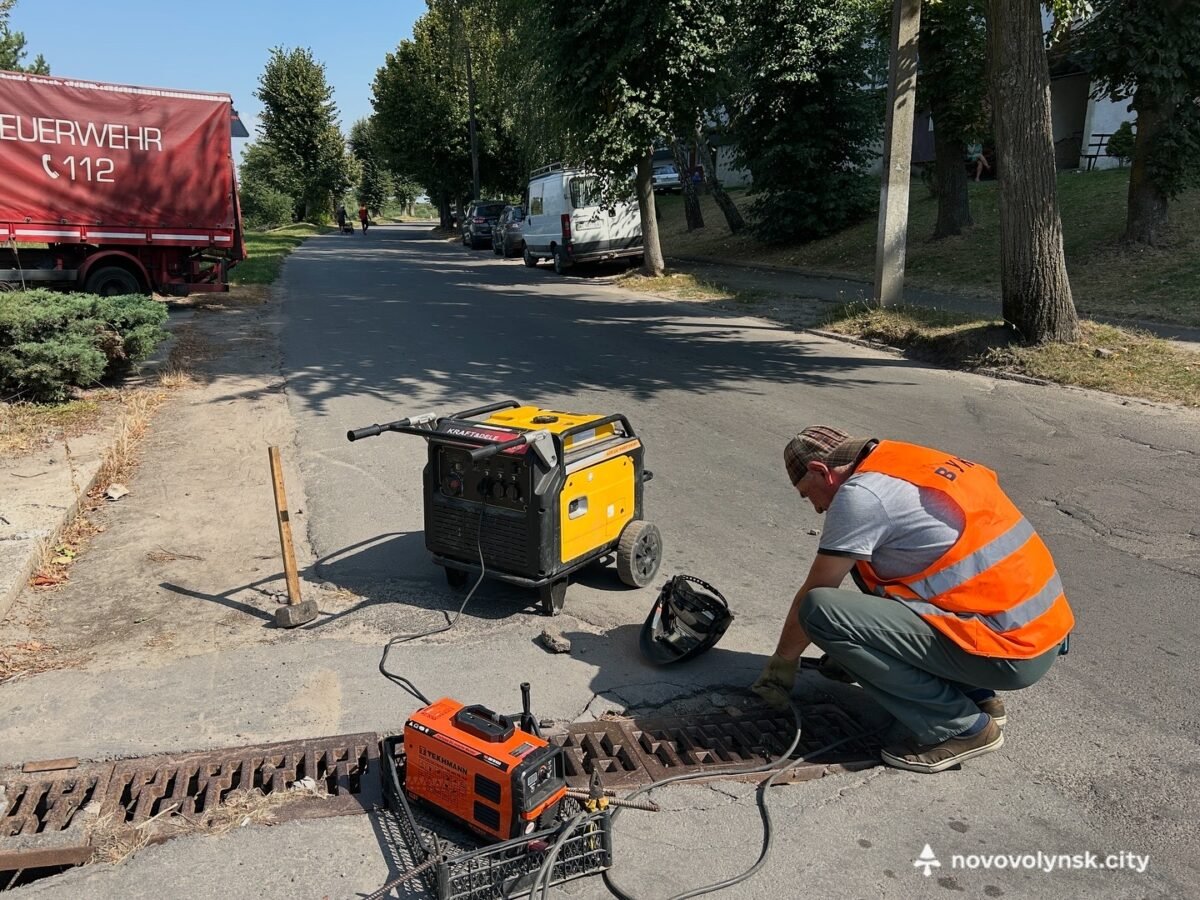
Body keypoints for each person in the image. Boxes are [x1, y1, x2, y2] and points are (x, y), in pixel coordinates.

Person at [752, 426, 1073, 774]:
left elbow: (815, 594)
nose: (815, 508)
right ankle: (977, 695)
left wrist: (783, 663)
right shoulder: (907, 460)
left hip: (1010, 652)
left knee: (821, 611)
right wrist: (861, 652)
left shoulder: (862, 496)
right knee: (870, 565)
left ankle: (960, 728)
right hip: (1041, 630)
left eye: (806, 494)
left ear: (820, 471)